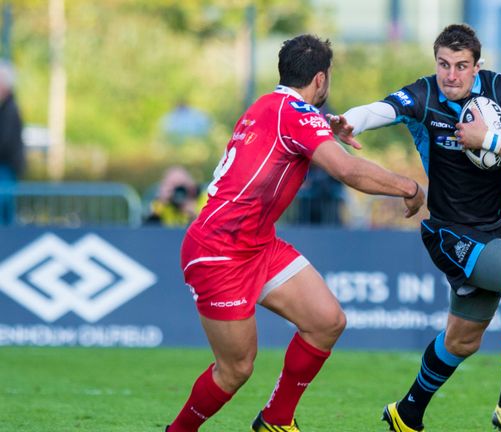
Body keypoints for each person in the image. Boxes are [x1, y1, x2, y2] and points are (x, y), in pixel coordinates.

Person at [165, 34, 425, 432]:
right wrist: (409, 186)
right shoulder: (295, 114)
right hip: (219, 251)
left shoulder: (271, 106)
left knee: (326, 321)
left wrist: (323, 127)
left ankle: (275, 419)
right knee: (235, 369)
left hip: (256, 244)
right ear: (320, 79)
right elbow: (349, 171)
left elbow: (295, 133)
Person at [330, 24, 501, 432]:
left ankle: (407, 412)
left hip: (496, 231)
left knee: (462, 341)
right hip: (452, 235)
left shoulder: (500, 90)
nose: (451, 75)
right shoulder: (424, 95)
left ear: (477, 67)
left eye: (461, 66)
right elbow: (380, 109)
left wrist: (491, 140)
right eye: (443, 64)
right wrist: (348, 121)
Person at [0, 60, 24, 226]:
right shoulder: (7, 108)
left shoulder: (10, 109)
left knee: (5, 213)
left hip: (5, 168)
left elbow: (5, 142)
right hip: (6, 168)